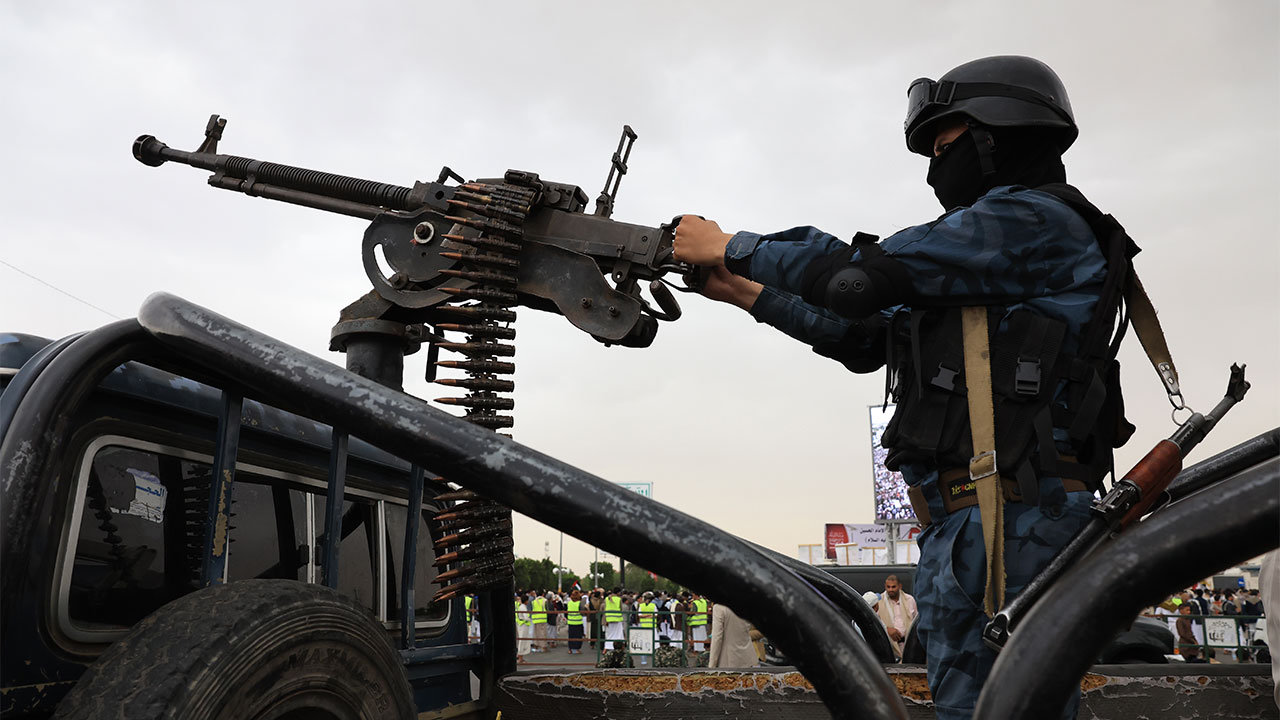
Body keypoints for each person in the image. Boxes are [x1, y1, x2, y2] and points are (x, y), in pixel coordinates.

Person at [673, 56, 1136, 720]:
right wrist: (744, 290)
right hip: (975, 522)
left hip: (1014, 519)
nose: (934, 169)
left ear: (998, 136)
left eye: (946, 148)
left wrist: (733, 245)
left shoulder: (1029, 221)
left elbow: (858, 278)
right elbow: (864, 332)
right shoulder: (988, 269)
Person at [876, 575, 918, 661]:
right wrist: (887, 629)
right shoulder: (879, 601)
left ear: (900, 586)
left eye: (893, 587)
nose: (890, 589)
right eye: (888, 587)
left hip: (908, 645)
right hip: (890, 647)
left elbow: (916, 621)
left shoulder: (909, 600)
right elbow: (876, 622)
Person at [708, 602, 758, 668]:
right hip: (748, 658)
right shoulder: (747, 605)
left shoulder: (719, 607)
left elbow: (717, 638)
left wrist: (711, 666)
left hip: (728, 661)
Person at [566, 589, 588, 654]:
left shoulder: (569, 603)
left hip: (570, 622)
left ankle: (570, 649)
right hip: (578, 622)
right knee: (578, 637)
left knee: (571, 636)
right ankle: (577, 649)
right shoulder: (579, 603)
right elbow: (583, 613)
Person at [515, 592, 533, 663]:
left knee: (521, 641)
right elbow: (526, 617)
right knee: (522, 641)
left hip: (520, 625)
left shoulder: (520, 606)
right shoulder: (523, 607)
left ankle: (519, 656)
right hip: (523, 625)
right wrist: (529, 619)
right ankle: (520, 658)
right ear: (526, 601)